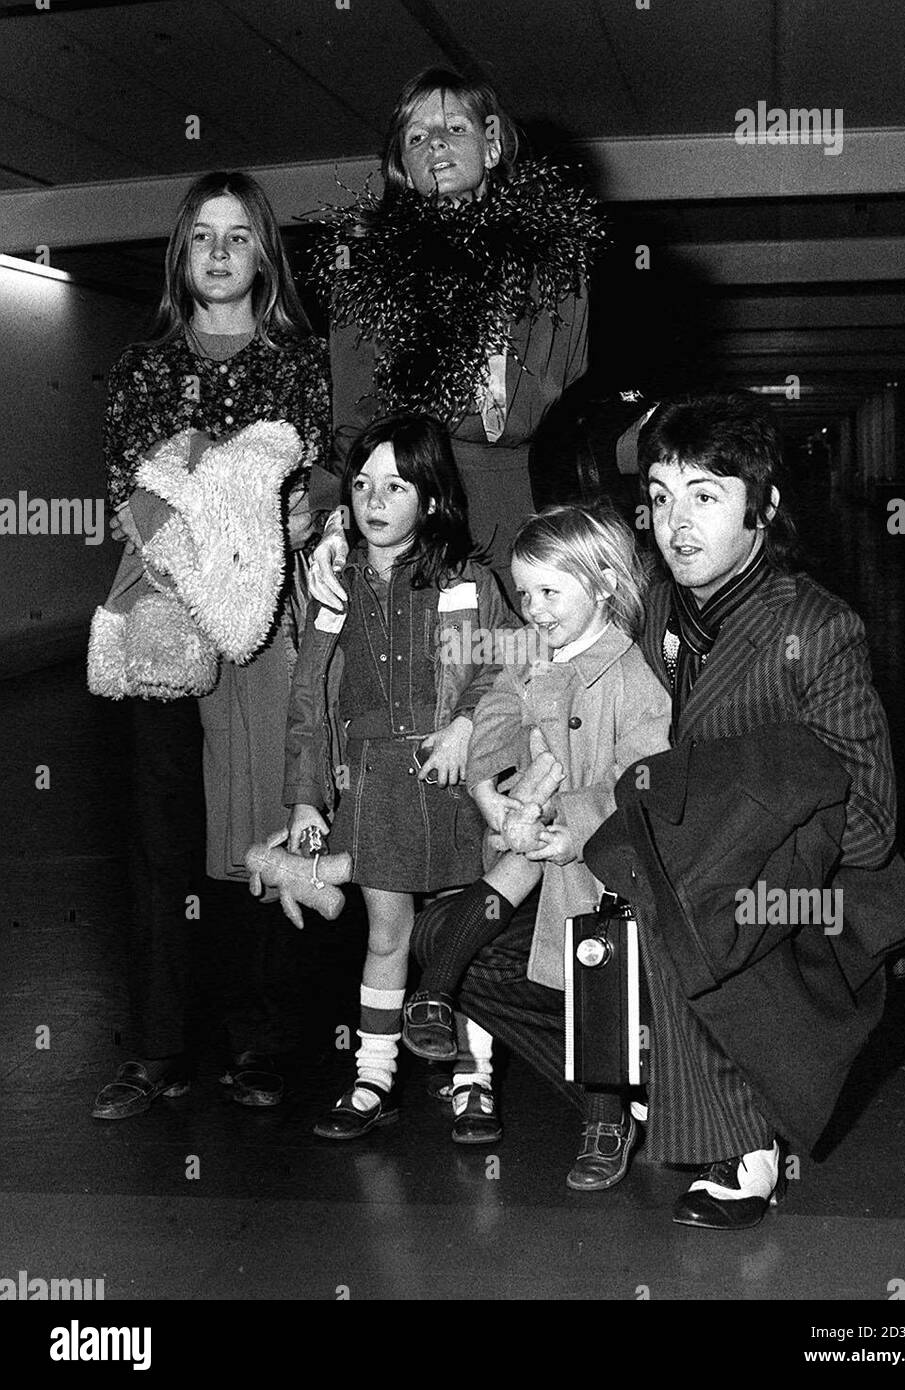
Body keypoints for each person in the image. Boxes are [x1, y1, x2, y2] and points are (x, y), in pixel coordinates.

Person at [411, 393, 905, 1225]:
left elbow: (868, 824)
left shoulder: (815, 628)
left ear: (761, 508)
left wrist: (711, 829)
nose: (675, 521)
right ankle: (645, 1081)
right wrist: (482, 747)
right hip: (633, 877)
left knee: (662, 919)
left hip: (777, 903)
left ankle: (741, 1135)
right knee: (465, 957)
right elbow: (520, 648)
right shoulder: (647, 604)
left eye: (704, 495)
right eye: (658, 496)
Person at [92, 171, 333, 1121]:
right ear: (180, 257)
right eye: (204, 237)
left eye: (240, 236)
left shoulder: (304, 363)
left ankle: (266, 1042)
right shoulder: (144, 365)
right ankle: (157, 1049)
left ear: (264, 255)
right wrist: (223, 509)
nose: (222, 253)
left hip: (274, 629)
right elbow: (136, 501)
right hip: (162, 624)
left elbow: (316, 491)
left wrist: (261, 503)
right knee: (162, 842)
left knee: (269, 827)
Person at [401, 503, 672, 1145]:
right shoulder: (530, 650)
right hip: (533, 824)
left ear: (604, 582)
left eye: (550, 591)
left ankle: (608, 1121)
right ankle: (436, 995)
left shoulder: (633, 676)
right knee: (480, 904)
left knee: (601, 981)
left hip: (601, 861)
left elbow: (641, 778)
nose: (535, 609)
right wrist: (487, 786)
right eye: (525, 594)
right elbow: (495, 708)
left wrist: (569, 823)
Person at [284, 413, 518, 1143]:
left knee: (461, 933)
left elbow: (511, 665)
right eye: (361, 484)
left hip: (457, 784)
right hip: (377, 779)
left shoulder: (468, 578)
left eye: (395, 485)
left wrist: (466, 723)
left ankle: (472, 1081)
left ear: (431, 497)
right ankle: (373, 1076)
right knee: (386, 932)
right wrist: (304, 797)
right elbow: (309, 695)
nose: (373, 500)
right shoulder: (335, 581)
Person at [306, 66, 601, 604]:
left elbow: (578, 395)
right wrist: (335, 524)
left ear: (491, 148)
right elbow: (354, 421)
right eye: (416, 136)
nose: (435, 143)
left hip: (527, 506)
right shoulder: (367, 272)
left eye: (454, 129)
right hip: (414, 509)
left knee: (524, 667)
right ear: (403, 168)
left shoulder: (556, 265)